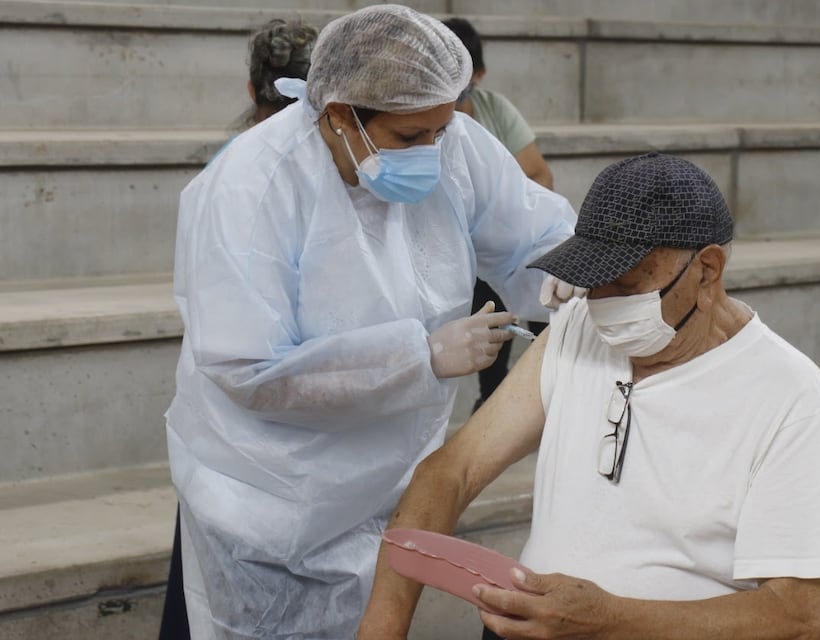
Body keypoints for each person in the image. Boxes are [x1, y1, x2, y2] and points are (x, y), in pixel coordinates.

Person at [166, 4, 577, 639]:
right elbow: (246, 367)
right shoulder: (251, 188)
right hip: (273, 495)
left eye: (442, 131)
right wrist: (419, 357)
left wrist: (572, 274)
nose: (433, 153)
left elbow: (535, 231)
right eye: (410, 139)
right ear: (338, 115)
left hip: (395, 477)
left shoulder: (451, 143)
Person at [358, 152, 820, 640]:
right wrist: (381, 630)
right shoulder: (579, 329)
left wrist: (609, 620)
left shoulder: (787, 395)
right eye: (594, 282)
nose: (604, 305)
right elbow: (451, 472)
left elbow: (798, 617)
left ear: (707, 271)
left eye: (629, 285)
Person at [158, 17, 319, 640]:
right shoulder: (251, 172)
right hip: (257, 415)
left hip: (250, 422)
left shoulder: (239, 162)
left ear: (253, 87)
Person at [443, 16, 554, 412]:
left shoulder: (493, 114)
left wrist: (502, 224)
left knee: (546, 282)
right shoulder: (426, 122)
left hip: (498, 239)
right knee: (488, 299)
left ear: (479, 74)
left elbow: (539, 175)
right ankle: (492, 399)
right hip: (455, 252)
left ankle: (554, 382)